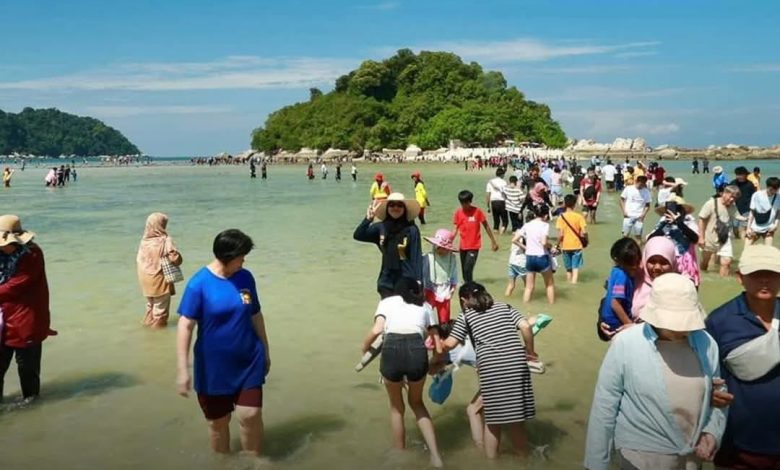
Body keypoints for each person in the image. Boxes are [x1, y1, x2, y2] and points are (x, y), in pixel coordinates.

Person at [585, 274, 725, 470]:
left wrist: (711, 432)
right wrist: (595, 463)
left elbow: (718, 395)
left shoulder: (706, 343)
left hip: (691, 457)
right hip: (638, 456)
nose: (681, 327)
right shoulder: (626, 343)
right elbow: (605, 405)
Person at [176, 229, 270, 456]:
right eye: (241, 256)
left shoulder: (245, 277)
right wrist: (183, 369)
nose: (244, 260)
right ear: (229, 256)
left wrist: (266, 351)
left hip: (249, 360)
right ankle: (224, 462)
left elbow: (256, 314)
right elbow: (185, 325)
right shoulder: (199, 284)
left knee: (250, 415)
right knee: (218, 423)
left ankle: (255, 461)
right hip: (213, 368)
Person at [442, 282, 537, 459]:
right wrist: (530, 352)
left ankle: (491, 463)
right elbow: (525, 326)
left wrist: (433, 344)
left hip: (491, 366)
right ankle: (524, 458)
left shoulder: (466, 316)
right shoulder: (505, 307)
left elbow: (450, 344)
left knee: (493, 422)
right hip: (517, 363)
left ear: (463, 300)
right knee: (516, 421)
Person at [705, 245, 780, 468]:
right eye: (756, 274)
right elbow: (705, 376)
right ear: (740, 278)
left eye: (772, 274)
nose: (765, 280)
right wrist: (709, 393)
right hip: (740, 445)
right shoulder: (720, 321)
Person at [362, 278, 443, 468]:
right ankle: (436, 457)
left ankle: (400, 454)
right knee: (417, 403)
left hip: (391, 348)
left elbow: (377, 329)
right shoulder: (425, 306)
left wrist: (364, 349)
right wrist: (433, 364)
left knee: (396, 408)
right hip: (417, 350)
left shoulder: (387, 302)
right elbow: (438, 348)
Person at [0, 215, 54, 403]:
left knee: (27, 370)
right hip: (3, 321)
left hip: (26, 321)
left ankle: (32, 408)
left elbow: (15, 286)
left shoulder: (32, 255)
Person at [354, 193, 423, 298]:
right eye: (392, 205)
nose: (395, 208)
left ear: (404, 209)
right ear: (387, 208)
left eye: (399, 205)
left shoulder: (412, 230)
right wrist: (368, 219)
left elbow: (416, 257)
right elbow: (358, 235)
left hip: (406, 280)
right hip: (386, 281)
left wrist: (419, 281)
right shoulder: (380, 228)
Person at [136, 213, 183, 328]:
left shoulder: (144, 241)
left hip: (145, 279)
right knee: (160, 310)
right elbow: (174, 258)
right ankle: (156, 334)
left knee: (150, 306)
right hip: (159, 279)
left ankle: (147, 330)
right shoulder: (165, 240)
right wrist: (179, 259)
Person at [647, 193, 700, 286]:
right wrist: (665, 225)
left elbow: (695, 239)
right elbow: (650, 240)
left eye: (678, 209)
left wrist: (679, 223)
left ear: (683, 211)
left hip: (685, 263)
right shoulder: (662, 223)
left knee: (688, 288)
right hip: (666, 263)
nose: (675, 212)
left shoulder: (689, 222)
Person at [452, 190, 499, 283]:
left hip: (474, 246)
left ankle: (470, 286)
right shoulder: (458, 213)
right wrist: (449, 241)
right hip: (462, 247)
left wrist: (493, 241)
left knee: (468, 269)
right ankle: (468, 287)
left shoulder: (477, 212)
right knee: (464, 272)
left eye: (465, 203)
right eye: (461, 203)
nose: (463, 205)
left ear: (470, 201)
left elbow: (486, 226)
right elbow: (455, 229)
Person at [599, 238, 642, 337]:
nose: (635, 267)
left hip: (608, 318)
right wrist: (630, 324)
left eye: (637, 262)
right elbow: (615, 303)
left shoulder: (615, 271)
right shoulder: (622, 276)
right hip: (615, 321)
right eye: (631, 265)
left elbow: (607, 285)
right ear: (619, 261)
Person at [516, 205, 555, 304]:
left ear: (534, 214)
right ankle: (552, 306)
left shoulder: (527, 225)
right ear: (545, 215)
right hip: (541, 257)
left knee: (529, 287)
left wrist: (526, 248)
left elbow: (514, 240)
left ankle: (525, 306)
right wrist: (551, 246)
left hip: (530, 257)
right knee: (549, 285)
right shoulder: (545, 225)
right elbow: (544, 242)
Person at [698, 185, 739, 278]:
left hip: (725, 237)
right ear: (724, 193)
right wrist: (701, 237)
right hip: (710, 237)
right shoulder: (711, 203)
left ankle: (723, 281)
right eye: (731, 196)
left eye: (735, 198)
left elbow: (738, 216)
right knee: (705, 262)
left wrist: (751, 219)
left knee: (726, 262)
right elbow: (702, 220)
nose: (732, 199)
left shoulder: (733, 206)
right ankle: (702, 277)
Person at [631, 236, 677, 317]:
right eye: (652, 261)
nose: (657, 267)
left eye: (663, 262)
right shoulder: (631, 279)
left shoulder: (680, 289)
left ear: (672, 262)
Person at [422, 229, 458, 324]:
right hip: (429, 289)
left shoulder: (452, 259)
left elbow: (454, 275)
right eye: (438, 247)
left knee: (444, 319)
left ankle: (443, 331)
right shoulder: (428, 257)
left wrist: (453, 288)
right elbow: (422, 273)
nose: (440, 250)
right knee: (426, 315)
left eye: (443, 248)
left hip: (445, 290)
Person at [556, 194, 587, 284]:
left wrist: (557, 245)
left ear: (565, 204)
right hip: (577, 245)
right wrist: (586, 241)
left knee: (568, 269)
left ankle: (569, 282)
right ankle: (574, 284)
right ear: (575, 204)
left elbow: (560, 235)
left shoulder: (561, 217)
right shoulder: (579, 217)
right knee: (575, 268)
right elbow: (584, 232)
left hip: (565, 246)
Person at [746, 176, 780, 245]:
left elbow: (778, 213)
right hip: (754, 227)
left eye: (776, 189)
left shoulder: (778, 198)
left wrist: (775, 225)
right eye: (771, 189)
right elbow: (752, 212)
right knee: (746, 248)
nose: (773, 191)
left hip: (769, 229)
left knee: (768, 249)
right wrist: (748, 228)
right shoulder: (756, 195)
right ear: (767, 186)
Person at [619, 175, 652, 241]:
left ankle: (639, 247)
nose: (642, 185)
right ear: (636, 181)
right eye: (641, 183)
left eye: (644, 183)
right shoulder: (628, 188)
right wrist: (624, 212)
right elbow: (621, 200)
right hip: (628, 216)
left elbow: (647, 205)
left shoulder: (646, 191)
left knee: (638, 237)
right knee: (625, 236)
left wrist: (643, 215)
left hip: (639, 217)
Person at [505, 228, 527, 297]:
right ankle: (527, 301)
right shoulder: (527, 234)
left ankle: (506, 298)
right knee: (528, 286)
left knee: (511, 285)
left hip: (512, 261)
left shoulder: (517, 232)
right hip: (522, 262)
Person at [485, 168, 508, 234]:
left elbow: (488, 195)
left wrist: (488, 206)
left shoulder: (490, 182)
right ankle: (502, 233)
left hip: (493, 202)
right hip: (502, 201)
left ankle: (496, 232)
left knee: (496, 220)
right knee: (505, 220)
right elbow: (505, 193)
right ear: (502, 174)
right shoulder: (504, 182)